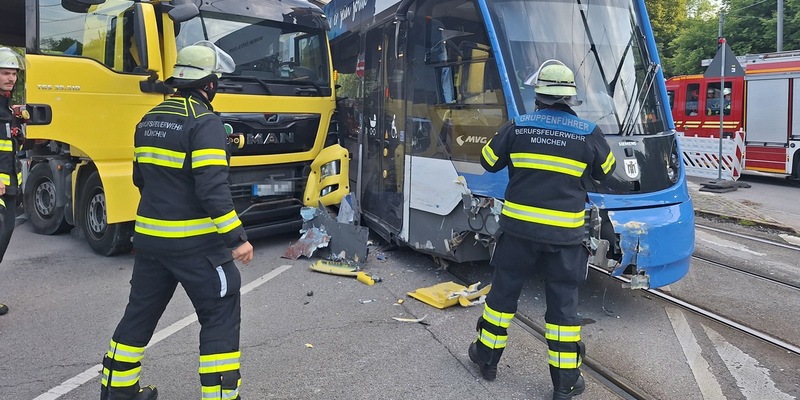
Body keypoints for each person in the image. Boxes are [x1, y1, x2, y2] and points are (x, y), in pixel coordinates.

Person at [101, 41, 253, 400]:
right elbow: (213, 190)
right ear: (209, 84)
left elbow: (142, 179)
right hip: (199, 247)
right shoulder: (205, 123)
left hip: (150, 243)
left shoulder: (148, 120)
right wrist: (238, 239)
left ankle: (117, 394)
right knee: (220, 316)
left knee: (138, 317)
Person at [468, 59, 616, 400]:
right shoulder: (587, 133)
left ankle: (487, 359)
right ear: (570, 99)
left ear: (539, 96)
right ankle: (565, 383)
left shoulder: (518, 126)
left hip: (518, 233)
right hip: (565, 239)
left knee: (502, 296)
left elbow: (488, 160)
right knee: (564, 308)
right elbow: (606, 172)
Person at [0, 47, 27, 317]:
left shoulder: (6, 106)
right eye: (6, 73)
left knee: (3, 240)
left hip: (9, 187)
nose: (11, 78)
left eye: (14, 74)